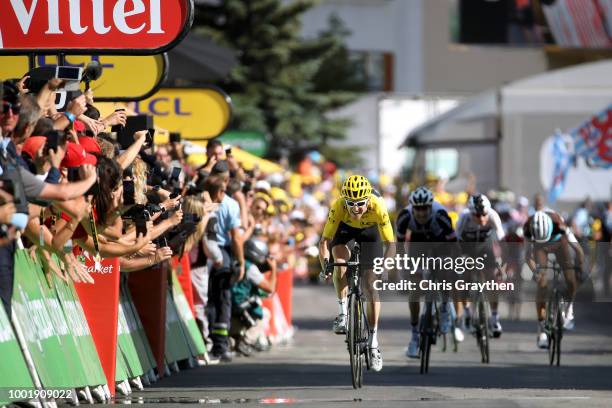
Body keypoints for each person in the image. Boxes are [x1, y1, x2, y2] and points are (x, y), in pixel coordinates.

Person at [318, 175, 395, 372]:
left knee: (370, 286)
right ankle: (343, 314)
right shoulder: (338, 206)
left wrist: (384, 267)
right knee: (339, 261)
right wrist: (326, 265)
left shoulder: (378, 205)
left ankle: (374, 343)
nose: (356, 208)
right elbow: (324, 241)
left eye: (360, 203)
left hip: (370, 234)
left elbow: (390, 245)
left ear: (368, 199)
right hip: (345, 230)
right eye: (351, 203)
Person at [396, 186, 458, 359]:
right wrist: (403, 269)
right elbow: (400, 246)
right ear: (412, 208)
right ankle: (415, 334)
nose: (422, 213)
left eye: (425, 208)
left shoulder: (440, 215)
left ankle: (444, 307)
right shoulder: (404, 216)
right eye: (418, 209)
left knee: (444, 271)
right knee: (415, 291)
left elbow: (454, 243)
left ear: (431, 206)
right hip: (418, 245)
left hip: (439, 243)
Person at [523, 210, 585, 348]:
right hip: (540, 249)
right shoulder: (528, 227)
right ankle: (542, 329)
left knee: (571, 280)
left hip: (560, 245)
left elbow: (578, 251)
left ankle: (569, 309)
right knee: (542, 283)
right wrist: (536, 272)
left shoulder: (560, 226)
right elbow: (528, 256)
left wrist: (579, 269)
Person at [455, 194, 506, 337]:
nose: (482, 219)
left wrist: (503, 263)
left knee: (491, 279)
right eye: (477, 216)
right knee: (464, 277)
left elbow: (503, 240)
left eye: (484, 215)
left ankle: (495, 318)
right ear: (471, 213)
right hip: (467, 247)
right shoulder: (464, 217)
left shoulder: (493, 215)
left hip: (485, 246)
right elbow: (455, 241)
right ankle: (466, 314)